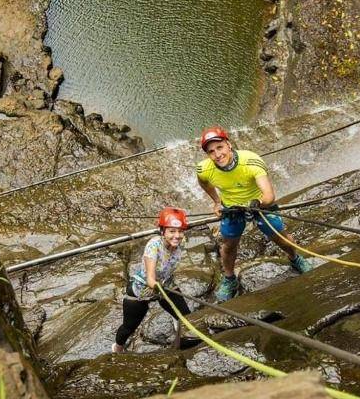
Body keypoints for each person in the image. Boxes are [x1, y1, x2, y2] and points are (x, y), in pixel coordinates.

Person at [196, 126, 312, 301]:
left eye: (220, 147)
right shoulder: (204, 169)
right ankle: (229, 279)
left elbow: (269, 195)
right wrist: (217, 201)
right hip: (232, 208)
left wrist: (256, 204)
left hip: (259, 205)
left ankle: (295, 258)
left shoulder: (250, 161)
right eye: (211, 151)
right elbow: (204, 183)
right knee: (228, 246)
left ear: (228, 144)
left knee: (280, 237)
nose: (217, 154)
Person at [112, 207, 191, 353]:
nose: (177, 236)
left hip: (165, 285)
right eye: (172, 231)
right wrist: (156, 285)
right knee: (129, 327)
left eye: (180, 231)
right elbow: (150, 278)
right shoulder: (153, 245)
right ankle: (117, 348)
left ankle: (178, 326)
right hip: (142, 289)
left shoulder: (181, 242)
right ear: (163, 232)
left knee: (187, 317)